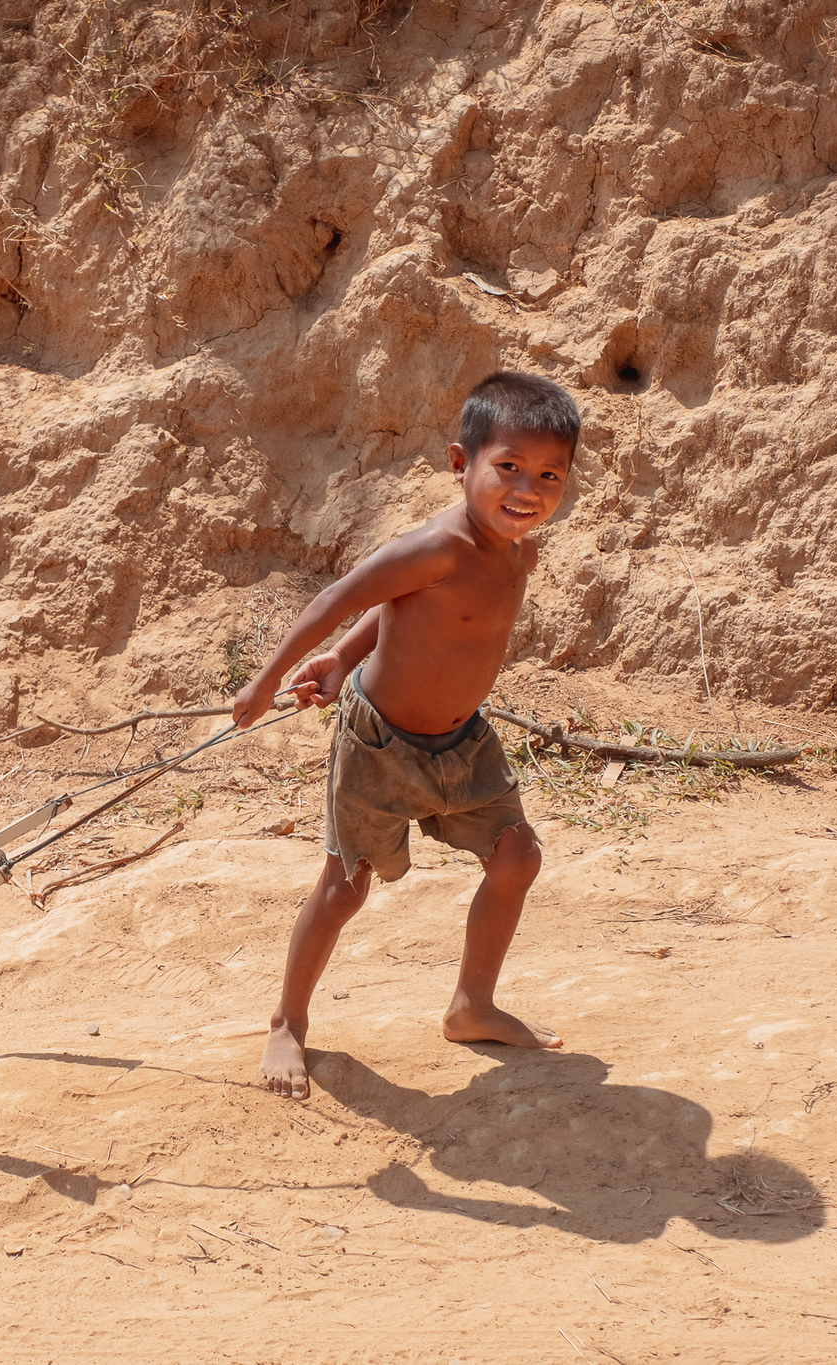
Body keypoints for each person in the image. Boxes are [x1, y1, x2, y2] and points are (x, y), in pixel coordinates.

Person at [230, 371, 579, 1100]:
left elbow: (396, 614)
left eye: (549, 474)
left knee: (516, 857)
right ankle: (286, 1023)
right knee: (344, 885)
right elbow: (339, 597)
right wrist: (268, 680)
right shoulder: (436, 546)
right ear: (462, 465)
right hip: (380, 744)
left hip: (464, 744)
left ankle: (470, 1006)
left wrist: (343, 656)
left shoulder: (520, 552)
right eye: (508, 467)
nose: (528, 488)